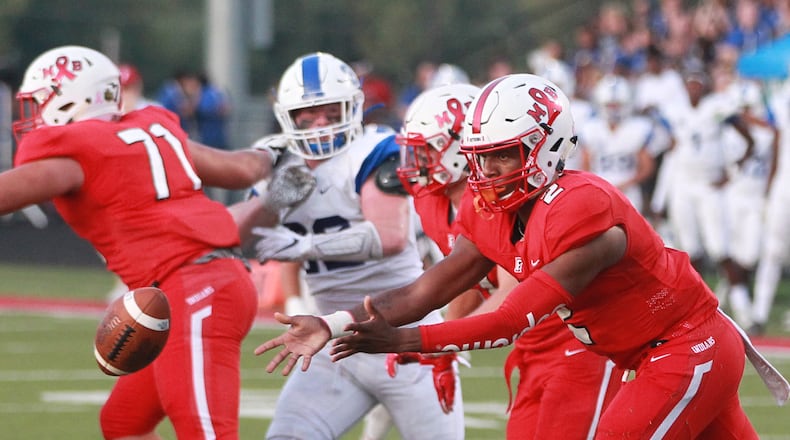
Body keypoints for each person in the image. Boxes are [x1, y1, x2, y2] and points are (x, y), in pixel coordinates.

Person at [255, 73, 767, 439]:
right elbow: (427, 289)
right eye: (482, 157)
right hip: (639, 351)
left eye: (505, 154)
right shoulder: (486, 210)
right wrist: (333, 323)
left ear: (547, 147)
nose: (491, 170)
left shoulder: (582, 206)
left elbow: (507, 318)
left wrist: (405, 339)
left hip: (682, 345)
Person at [0, 45, 281, 439]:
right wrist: (275, 152)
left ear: (72, 98)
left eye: (40, 101)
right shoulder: (151, 131)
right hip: (200, 284)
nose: (30, 114)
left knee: (208, 433)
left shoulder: (75, 155)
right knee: (123, 423)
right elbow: (242, 169)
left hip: (193, 292)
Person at [246, 52, 465, 439]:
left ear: (353, 107)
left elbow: (389, 237)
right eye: (308, 114)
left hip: (406, 338)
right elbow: (241, 237)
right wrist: (269, 205)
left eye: (331, 112)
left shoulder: (376, 149)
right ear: (288, 116)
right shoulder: (276, 158)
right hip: (332, 340)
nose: (320, 124)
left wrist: (304, 245)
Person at [392, 81, 621, 439]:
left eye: (425, 150)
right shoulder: (434, 203)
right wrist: (445, 351)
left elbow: (508, 299)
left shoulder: (499, 200)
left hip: (576, 342)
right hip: (531, 348)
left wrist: (437, 341)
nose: (414, 164)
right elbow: (464, 280)